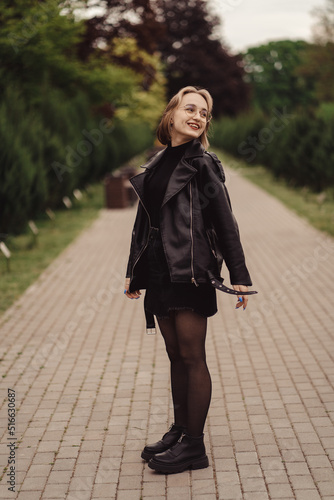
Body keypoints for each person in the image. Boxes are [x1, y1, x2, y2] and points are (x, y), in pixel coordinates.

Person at [124, 86, 256, 474]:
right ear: (171, 115)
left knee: (192, 356)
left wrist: (240, 275)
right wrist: (135, 271)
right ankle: (181, 431)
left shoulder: (203, 164)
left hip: (193, 273)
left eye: (204, 112)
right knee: (174, 356)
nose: (198, 116)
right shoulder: (158, 161)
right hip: (162, 273)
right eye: (190, 109)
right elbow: (143, 225)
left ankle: (194, 448)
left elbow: (224, 222)